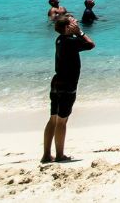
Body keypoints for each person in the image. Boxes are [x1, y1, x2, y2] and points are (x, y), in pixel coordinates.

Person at [42, 14, 94, 163]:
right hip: (67, 83)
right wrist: (80, 33)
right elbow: (91, 45)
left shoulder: (60, 40)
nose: (77, 23)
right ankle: (59, 155)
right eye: (73, 22)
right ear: (67, 27)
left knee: (53, 119)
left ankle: (46, 155)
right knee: (62, 121)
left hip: (57, 81)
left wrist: (75, 33)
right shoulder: (70, 41)